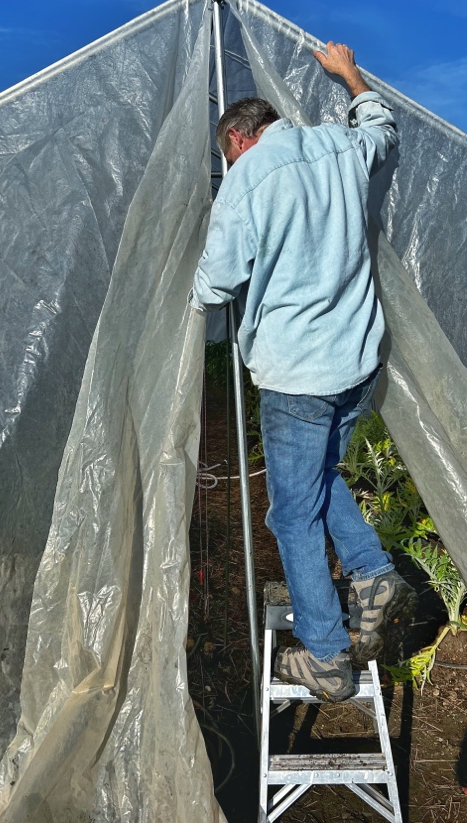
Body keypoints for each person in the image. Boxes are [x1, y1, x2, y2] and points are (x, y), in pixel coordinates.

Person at [189, 42, 416, 702]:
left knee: (290, 515)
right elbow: (381, 124)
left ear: (237, 138)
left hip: (297, 371)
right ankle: (373, 573)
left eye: (223, 155)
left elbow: (218, 280)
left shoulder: (250, 176)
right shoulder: (342, 148)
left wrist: (193, 293)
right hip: (356, 361)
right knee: (316, 483)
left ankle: (325, 656)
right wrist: (348, 75)